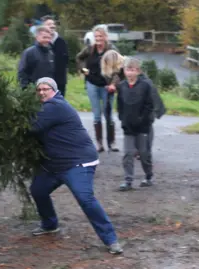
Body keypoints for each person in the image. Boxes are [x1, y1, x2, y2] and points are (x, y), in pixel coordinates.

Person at [29, 77, 123, 255]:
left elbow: (33, 127)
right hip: (55, 163)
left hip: (77, 162)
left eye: (45, 89)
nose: (41, 92)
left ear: (54, 90)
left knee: (85, 199)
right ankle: (50, 225)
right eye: (38, 90)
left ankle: (111, 240)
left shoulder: (55, 105)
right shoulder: (44, 107)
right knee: (38, 190)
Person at [76, 26, 119, 152]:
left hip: (107, 85)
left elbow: (118, 69)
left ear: (106, 37)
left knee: (108, 114)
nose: (98, 39)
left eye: (101, 36)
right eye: (96, 37)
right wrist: (83, 69)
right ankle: (99, 143)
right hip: (92, 84)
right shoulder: (90, 49)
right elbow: (79, 58)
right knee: (96, 115)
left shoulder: (112, 50)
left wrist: (114, 84)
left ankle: (112, 143)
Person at [116, 57, 154, 191]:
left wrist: (143, 120)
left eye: (133, 70)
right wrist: (122, 118)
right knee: (127, 154)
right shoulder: (121, 86)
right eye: (128, 70)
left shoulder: (145, 86)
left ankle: (148, 176)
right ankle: (128, 180)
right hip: (128, 127)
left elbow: (150, 105)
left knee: (144, 154)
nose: (130, 73)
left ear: (138, 71)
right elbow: (120, 104)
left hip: (143, 127)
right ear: (124, 71)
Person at [18, 26, 55, 90]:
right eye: (44, 37)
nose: (47, 40)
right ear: (37, 37)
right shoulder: (29, 53)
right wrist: (25, 89)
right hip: (33, 90)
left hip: (49, 91)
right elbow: (22, 72)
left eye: (49, 38)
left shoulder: (51, 53)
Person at [41, 15, 69, 97]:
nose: (52, 26)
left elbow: (66, 59)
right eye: (49, 24)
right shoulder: (41, 43)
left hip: (60, 81)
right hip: (45, 81)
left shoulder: (61, 42)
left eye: (53, 24)